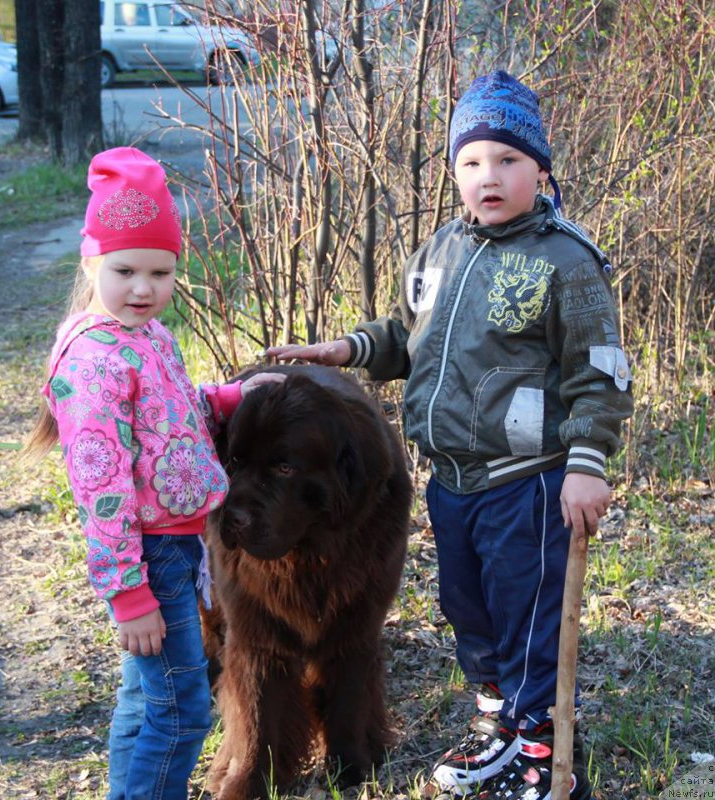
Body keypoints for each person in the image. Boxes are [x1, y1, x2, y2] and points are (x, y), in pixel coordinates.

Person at [267, 71, 633, 799]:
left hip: (526, 479)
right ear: (454, 173)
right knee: (468, 608)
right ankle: (497, 725)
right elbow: (410, 338)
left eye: (506, 160)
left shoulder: (565, 260)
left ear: (540, 170)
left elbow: (600, 372)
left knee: (526, 611)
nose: (487, 176)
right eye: (471, 162)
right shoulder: (440, 251)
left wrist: (587, 464)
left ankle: (545, 746)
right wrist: (350, 349)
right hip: (452, 480)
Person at [24, 147, 284, 799]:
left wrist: (224, 399)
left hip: (173, 546)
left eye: (160, 272)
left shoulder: (146, 337)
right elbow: (101, 489)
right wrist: (128, 595)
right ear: (92, 263)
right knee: (181, 712)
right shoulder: (93, 361)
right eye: (125, 270)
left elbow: (166, 414)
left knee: (145, 704)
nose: (143, 288)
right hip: (146, 557)